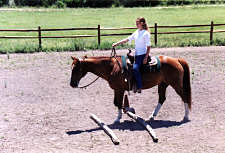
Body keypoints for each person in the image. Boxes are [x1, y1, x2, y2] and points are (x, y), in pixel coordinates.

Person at [112, 17, 151, 93]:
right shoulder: (137, 32)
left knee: (135, 68)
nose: (136, 25)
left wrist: (146, 57)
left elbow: (149, 46)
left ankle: (139, 86)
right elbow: (127, 39)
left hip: (142, 55)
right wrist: (116, 44)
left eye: (138, 23)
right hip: (136, 55)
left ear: (142, 23)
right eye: (136, 23)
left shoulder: (146, 33)